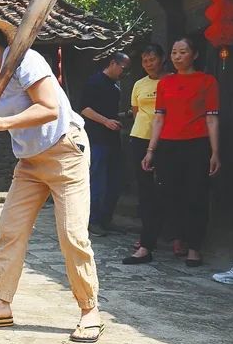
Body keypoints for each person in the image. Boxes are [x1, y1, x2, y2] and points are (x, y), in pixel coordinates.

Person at [0, 9, 102, 343]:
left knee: (72, 235)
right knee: (9, 231)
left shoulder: (28, 61)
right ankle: (0, 305)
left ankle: (90, 311)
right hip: (29, 163)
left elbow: (49, 108)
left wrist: (3, 124)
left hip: (65, 152)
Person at [136, 37, 220, 267]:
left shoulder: (207, 81)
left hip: (197, 144)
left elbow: (212, 119)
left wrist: (215, 152)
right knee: (160, 195)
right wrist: (150, 150)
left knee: (196, 196)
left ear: (195, 55)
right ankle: (146, 246)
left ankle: (194, 247)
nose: (177, 57)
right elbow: (159, 118)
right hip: (168, 145)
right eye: (174, 52)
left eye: (183, 52)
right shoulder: (165, 83)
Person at [122, 44, 167, 263]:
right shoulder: (139, 84)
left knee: (167, 188)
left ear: (162, 59)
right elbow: (136, 111)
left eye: (152, 59)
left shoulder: (170, 82)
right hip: (140, 138)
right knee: (145, 190)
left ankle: (173, 236)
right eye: (145, 60)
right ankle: (147, 237)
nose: (149, 64)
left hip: (167, 141)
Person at [79, 52, 131, 237]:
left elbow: (110, 113)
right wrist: (105, 122)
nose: (124, 73)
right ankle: (93, 221)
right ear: (113, 63)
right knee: (98, 181)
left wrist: (123, 117)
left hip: (112, 140)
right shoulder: (94, 82)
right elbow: (85, 109)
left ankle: (106, 219)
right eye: (123, 68)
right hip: (97, 139)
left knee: (114, 182)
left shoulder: (115, 88)